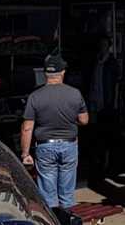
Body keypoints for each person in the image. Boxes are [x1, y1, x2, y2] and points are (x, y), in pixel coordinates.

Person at [20, 54, 89, 211]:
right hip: (69, 145)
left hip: (45, 147)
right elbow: (84, 120)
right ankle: (67, 217)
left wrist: (25, 154)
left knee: (48, 194)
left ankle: (51, 219)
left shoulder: (35, 96)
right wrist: (71, 121)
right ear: (63, 72)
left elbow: (27, 127)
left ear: (45, 73)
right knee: (67, 194)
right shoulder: (75, 93)